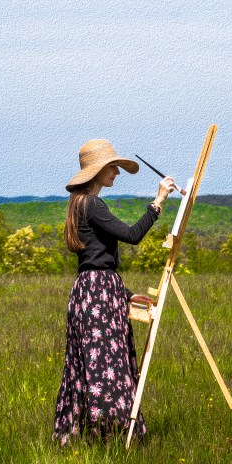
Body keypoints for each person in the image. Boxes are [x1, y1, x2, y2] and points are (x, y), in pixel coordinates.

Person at [53, 138, 175, 445]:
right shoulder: (92, 204)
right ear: (98, 171)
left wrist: (125, 293)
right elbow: (132, 235)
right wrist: (157, 202)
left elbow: (95, 262)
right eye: (113, 168)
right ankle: (113, 436)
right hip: (98, 294)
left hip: (90, 291)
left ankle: (88, 434)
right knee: (107, 367)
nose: (117, 174)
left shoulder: (79, 204)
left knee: (89, 367)